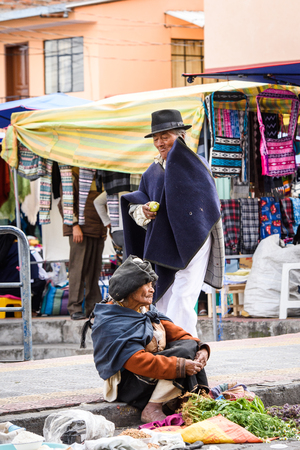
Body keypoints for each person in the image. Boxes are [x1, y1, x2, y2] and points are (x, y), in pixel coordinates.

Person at [121, 109, 224, 336]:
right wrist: (143, 210)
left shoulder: (197, 165)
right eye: (156, 138)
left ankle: (184, 348)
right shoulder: (152, 172)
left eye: (165, 136)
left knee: (184, 294)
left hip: (195, 239)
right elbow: (140, 203)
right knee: (164, 297)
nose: (160, 142)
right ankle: (168, 347)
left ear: (181, 137)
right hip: (165, 242)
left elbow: (207, 205)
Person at [92, 255, 210, 423]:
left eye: (151, 284)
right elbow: (138, 362)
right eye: (146, 285)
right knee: (183, 355)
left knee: (188, 347)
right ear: (129, 288)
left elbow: (179, 334)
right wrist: (180, 366)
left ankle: (193, 400)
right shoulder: (112, 321)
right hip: (131, 384)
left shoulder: (145, 310)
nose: (152, 289)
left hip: (152, 375)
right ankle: (153, 407)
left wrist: (202, 349)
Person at [59, 167, 107, 320]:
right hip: (79, 228)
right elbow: (65, 202)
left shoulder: (101, 173)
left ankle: (93, 307)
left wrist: (104, 228)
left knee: (94, 270)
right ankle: (75, 307)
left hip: (97, 227)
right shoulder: (72, 174)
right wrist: (74, 225)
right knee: (77, 269)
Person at [0, 233, 46, 315]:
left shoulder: (3, 249)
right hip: (21, 289)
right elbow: (35, 273)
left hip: (2, 289)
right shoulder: (22, 248)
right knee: (40, 282)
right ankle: (33, 310)